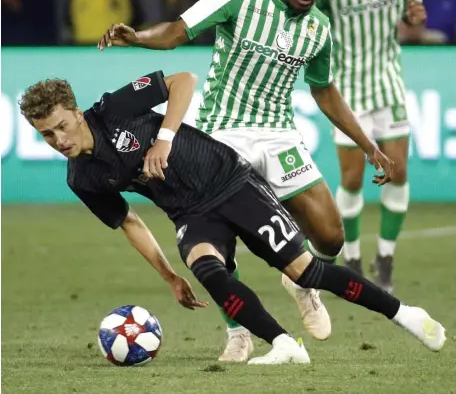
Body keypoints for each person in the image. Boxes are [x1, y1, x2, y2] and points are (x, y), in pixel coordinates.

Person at [98, 0, 397, 362]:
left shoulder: (319, 29)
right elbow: (179, 31)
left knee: (331, 235)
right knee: (218, 245)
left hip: (278, 134)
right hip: (221, 133)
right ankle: (237, 331)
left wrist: (368, 145)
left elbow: (325, 91)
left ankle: (300, 280)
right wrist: (139, 37)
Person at [18, 70, 446, 365]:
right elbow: (129, 221)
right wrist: (169, 276)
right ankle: (282, 343)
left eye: (60, 126)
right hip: (189, 212)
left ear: (75, 111)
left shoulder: (114, 108)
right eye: (47, 134)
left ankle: (405, 314)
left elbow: (182, 80)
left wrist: (163, 139)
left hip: (228, 179)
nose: (58, 140)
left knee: (308, 270)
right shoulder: (82, 178)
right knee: (207, 267)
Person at [316, 0, 426, 292]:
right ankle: (353, 258)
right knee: (352, 178)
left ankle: (386, 256)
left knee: (398, 171)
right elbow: (313, 16)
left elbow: (414, 6)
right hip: (347, 90)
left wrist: (415, 15)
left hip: (388, 84)